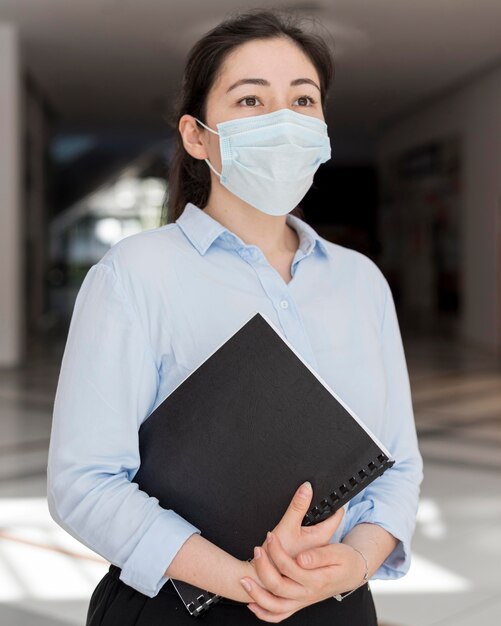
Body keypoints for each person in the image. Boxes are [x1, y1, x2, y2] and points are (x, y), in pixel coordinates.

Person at [46, 8, 423, 625]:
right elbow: (84, 482)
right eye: (251, 100)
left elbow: (399, 462)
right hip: (180, 601)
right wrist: (245, 580)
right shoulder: (135, 274)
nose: (282, 120)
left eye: (303, 100)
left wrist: (355, 564)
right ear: (197, 136)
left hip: (336, 601)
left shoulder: (360, 281)